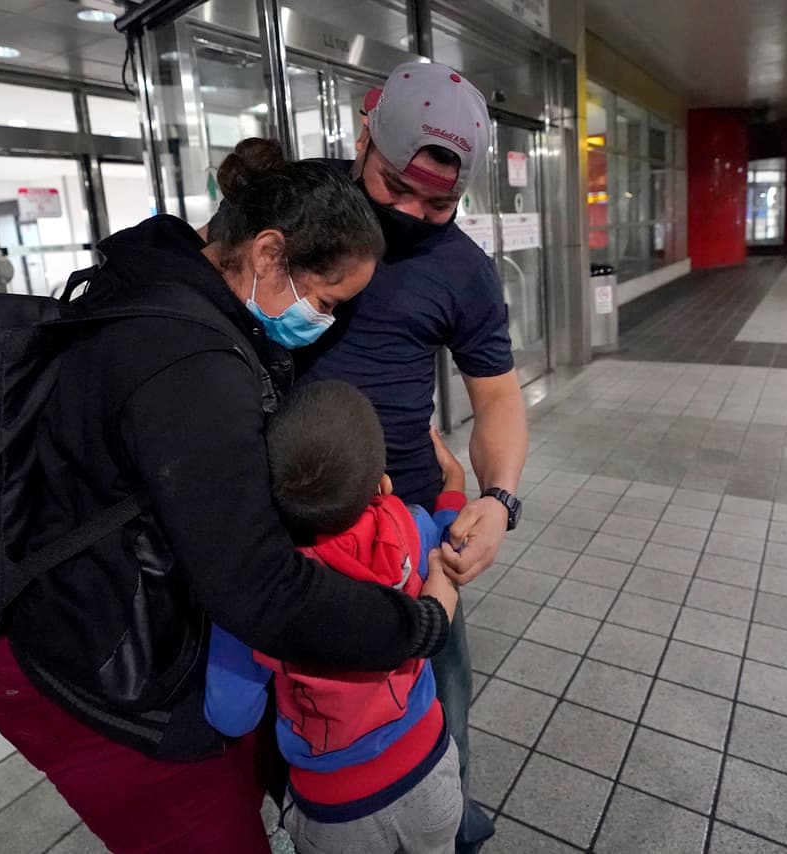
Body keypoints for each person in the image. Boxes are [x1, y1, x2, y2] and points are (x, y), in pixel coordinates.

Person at [0, 138, 459, 854]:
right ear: (269, 254)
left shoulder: (170, 285)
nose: (322, 323)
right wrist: (417, 626)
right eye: (325, 302)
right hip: (105, 681)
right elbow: (257, 587)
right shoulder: (186, 360)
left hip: (158, 645)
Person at [297, 62, 531, 853]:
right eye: (395, 186)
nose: (411, 213)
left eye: (439, 203)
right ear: (362, 136)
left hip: (411, 523)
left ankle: (448, 812)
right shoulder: (299, 207)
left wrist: (498, 501)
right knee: (299, 692)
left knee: (437, 684)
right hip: (295, 508)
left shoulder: (462, 268)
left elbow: (497, 397)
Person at [204, 380, 468, 854]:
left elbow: (231, 713)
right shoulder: (411, 525)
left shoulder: (261, 588)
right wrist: (454, 486)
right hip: (430, 772)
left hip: (336, 810)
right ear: (381, 482)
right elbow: (451, 540)